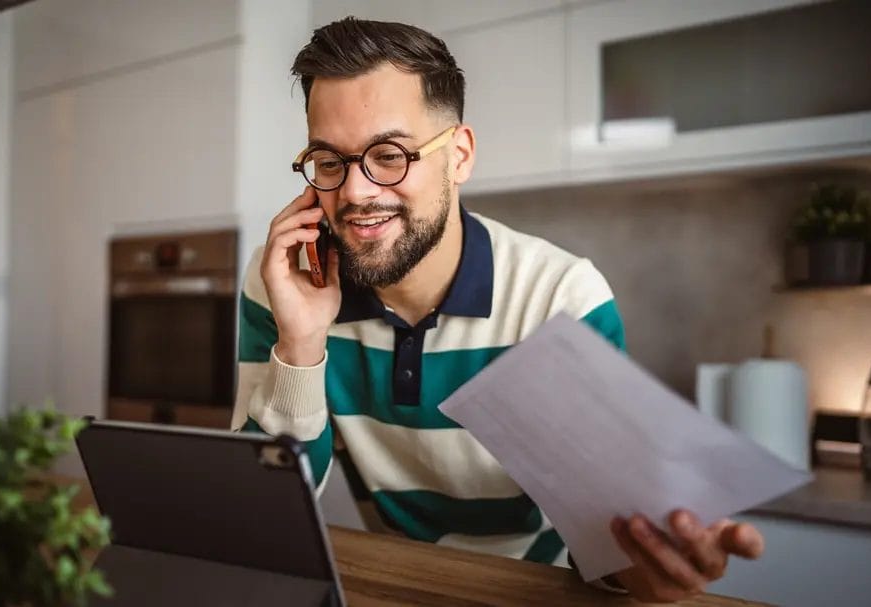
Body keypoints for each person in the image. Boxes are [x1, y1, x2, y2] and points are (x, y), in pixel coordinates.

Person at [232, 17, 764, 602]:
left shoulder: (557, 299)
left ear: (458, 156)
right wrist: (301, 346)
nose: (356, 193)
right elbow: (255, 524)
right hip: (396, 590)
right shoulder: (285, 284)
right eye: (330, 162)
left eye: (389, 155)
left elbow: (613, 549)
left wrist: (660, 563)